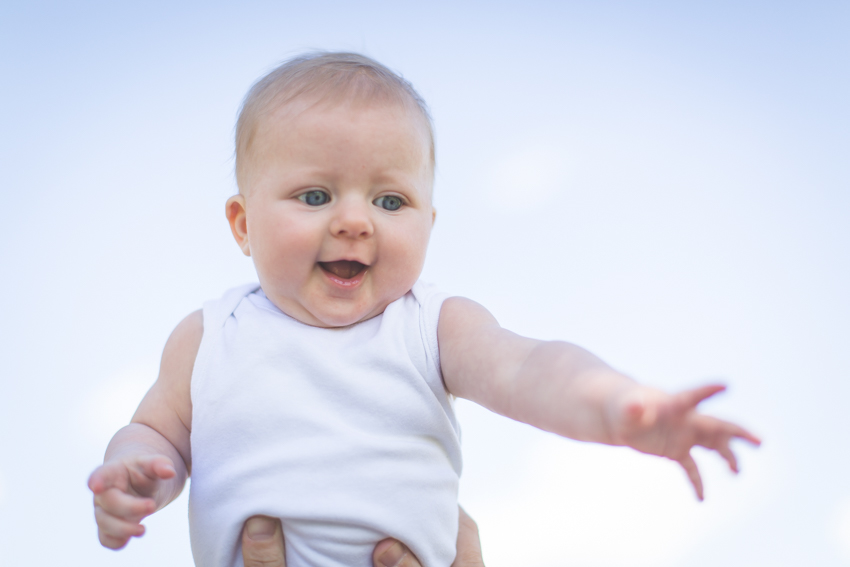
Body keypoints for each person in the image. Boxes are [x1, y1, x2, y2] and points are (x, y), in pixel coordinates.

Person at [88, 52, 760, 567]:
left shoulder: (428, 324)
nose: (355, 221)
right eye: (316, 195)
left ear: (430, 223)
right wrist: (132, 470)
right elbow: (157, 431)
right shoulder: (210, 336)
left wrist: (616, 404)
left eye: (390, 201)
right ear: (241, 223)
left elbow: (527, 367)